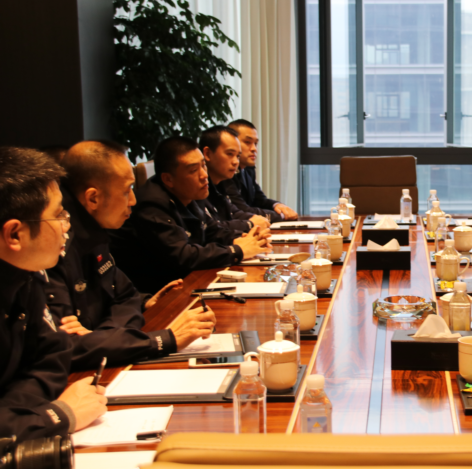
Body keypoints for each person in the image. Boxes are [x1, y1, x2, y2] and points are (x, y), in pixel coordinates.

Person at [45, 141, 218, 371]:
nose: (134, 200)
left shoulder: (95, 230)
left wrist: (104, 338)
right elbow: (68, 349)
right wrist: (162, 339)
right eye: (127, 190)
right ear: (93, 198)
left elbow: (127, 297)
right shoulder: (53, 247)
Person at [0, 146, 106, 441]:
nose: (66, 227)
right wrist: (55, 417)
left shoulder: (26, 273)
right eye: (58, 215)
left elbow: (53, 355)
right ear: (14, 234)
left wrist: (13, 415)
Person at [110, 136, 271, 293]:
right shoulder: (151, 204)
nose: (204, 175)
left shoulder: (190, 193)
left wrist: (248, 239)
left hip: (188, 282)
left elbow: (213, 231)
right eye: (194, 170)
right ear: (168, 179)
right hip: (158, 294)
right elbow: (183, 256)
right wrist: (237, 250)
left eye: (204, 166)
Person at [223, 119, 298, 221]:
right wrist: (281, 215)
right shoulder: (225, 172)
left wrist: (277, 205)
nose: (254, 149)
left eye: (256, 143)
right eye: (247, 142)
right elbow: (242, 210)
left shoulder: (248, 169)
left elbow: (259, 200)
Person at [199, 125, 269, 233]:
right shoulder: (196, 186)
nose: (236, 162)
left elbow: (234, 212)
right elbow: (212, 228)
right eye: (230, 154)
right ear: (207, 154)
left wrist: (256, 219)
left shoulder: (220, 183)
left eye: (237, 156)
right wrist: (250, 223)